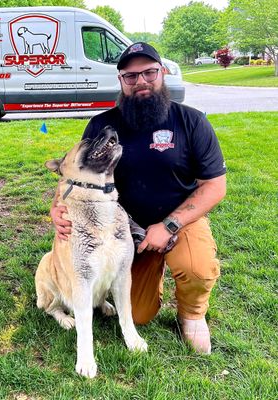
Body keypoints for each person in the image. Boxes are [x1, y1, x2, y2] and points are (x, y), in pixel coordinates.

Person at [51, 42, 226, 355]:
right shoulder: (102, 125)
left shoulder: (192, 121)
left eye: (149, 72)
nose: (141, 81)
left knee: (197, 268)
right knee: (138, 314)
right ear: (120, 81)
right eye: (131, 76)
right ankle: (152, 269)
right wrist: (56, 209)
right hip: (122, 228)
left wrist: (169, 225)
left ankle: (192, 313)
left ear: (163, 73)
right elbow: (74, 172)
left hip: (180, 218)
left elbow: (214, 185)